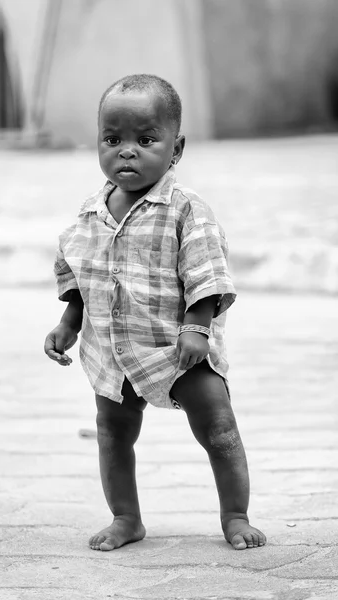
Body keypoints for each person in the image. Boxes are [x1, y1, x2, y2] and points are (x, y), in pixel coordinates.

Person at [44, 74, 266, 552]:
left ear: (176, 148)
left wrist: (197, 327)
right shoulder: (90, 213)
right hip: (113, 352)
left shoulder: (187, 210)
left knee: (218, 427)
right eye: (112, 139)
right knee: (112, 431)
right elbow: (81, 273)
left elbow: (206, 271)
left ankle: (235, 514)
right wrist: (67, 323)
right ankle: (126, 517)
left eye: (145, 140)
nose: (127, 151)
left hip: (178, 345)